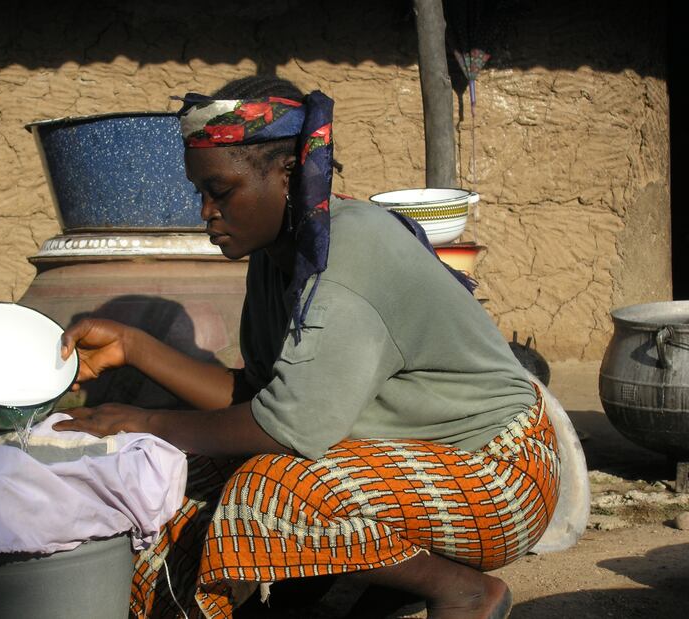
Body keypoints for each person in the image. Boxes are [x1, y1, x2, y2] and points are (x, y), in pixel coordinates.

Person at [53, 75, 560, 619]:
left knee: (269, 490)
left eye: (220, 192)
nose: (205, 212)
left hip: (499, 471)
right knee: (178, 486)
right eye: (199, 192)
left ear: (288, 174)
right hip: (397, 462)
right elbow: (256, 395)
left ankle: (460, 589)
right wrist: (134, 346)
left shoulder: (350, 250)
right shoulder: (277, 258)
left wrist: (146, 422)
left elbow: (284, 428)